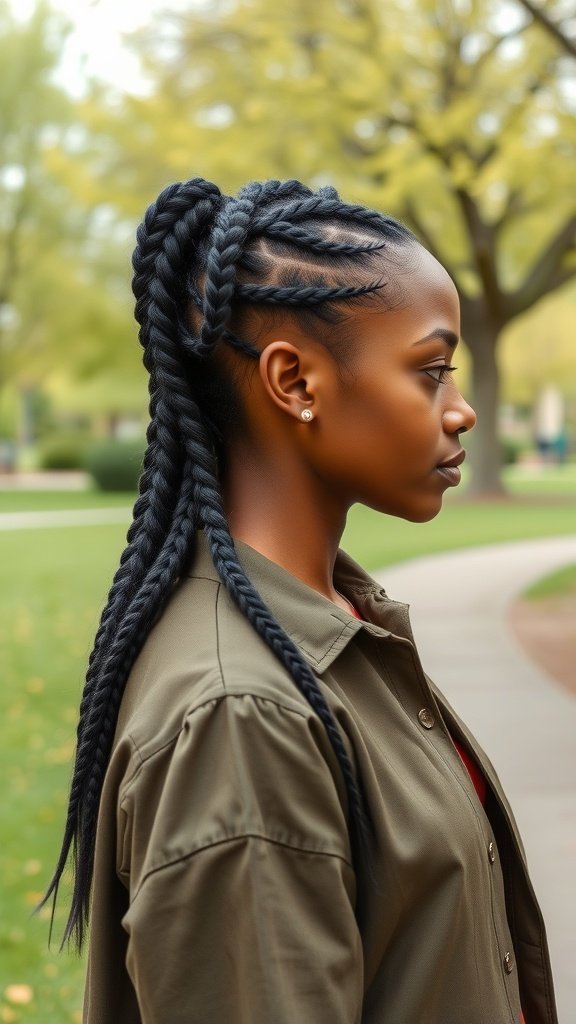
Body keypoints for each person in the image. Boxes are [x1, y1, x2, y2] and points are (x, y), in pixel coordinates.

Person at [43, 178, 557, 1024]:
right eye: (429, 371)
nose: (461, 411)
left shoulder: (337, 630)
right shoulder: (241, 720)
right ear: (295, 382)